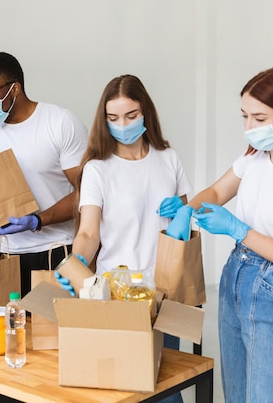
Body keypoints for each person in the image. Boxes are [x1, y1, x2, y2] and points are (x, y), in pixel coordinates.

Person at [165, 67, 273, 403]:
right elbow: (216, 191)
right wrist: (188, 208)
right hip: (236, 277)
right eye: (244, 117)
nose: (248, 128)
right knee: (237, 395)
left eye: (258, 118)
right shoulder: (254, 157)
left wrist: (239, 230)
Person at [59, 74, 191, 403]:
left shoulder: (168, 159)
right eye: (113, 118)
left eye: (131, 116)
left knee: (164, 387)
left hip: (163, 291)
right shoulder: (98, 169)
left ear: (145, 112)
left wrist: (184, 210)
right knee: (122, 386)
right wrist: (75, 264)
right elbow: (89, 232)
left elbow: (186, 222)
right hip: (115, 292)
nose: (123, 124)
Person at [0, 51, 88, 297]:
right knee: (4, 332)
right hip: (2, 254)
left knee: (51, 333)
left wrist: (39, 220)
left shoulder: (59, 123)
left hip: (54, 252)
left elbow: (88, 194)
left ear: (14, 89)